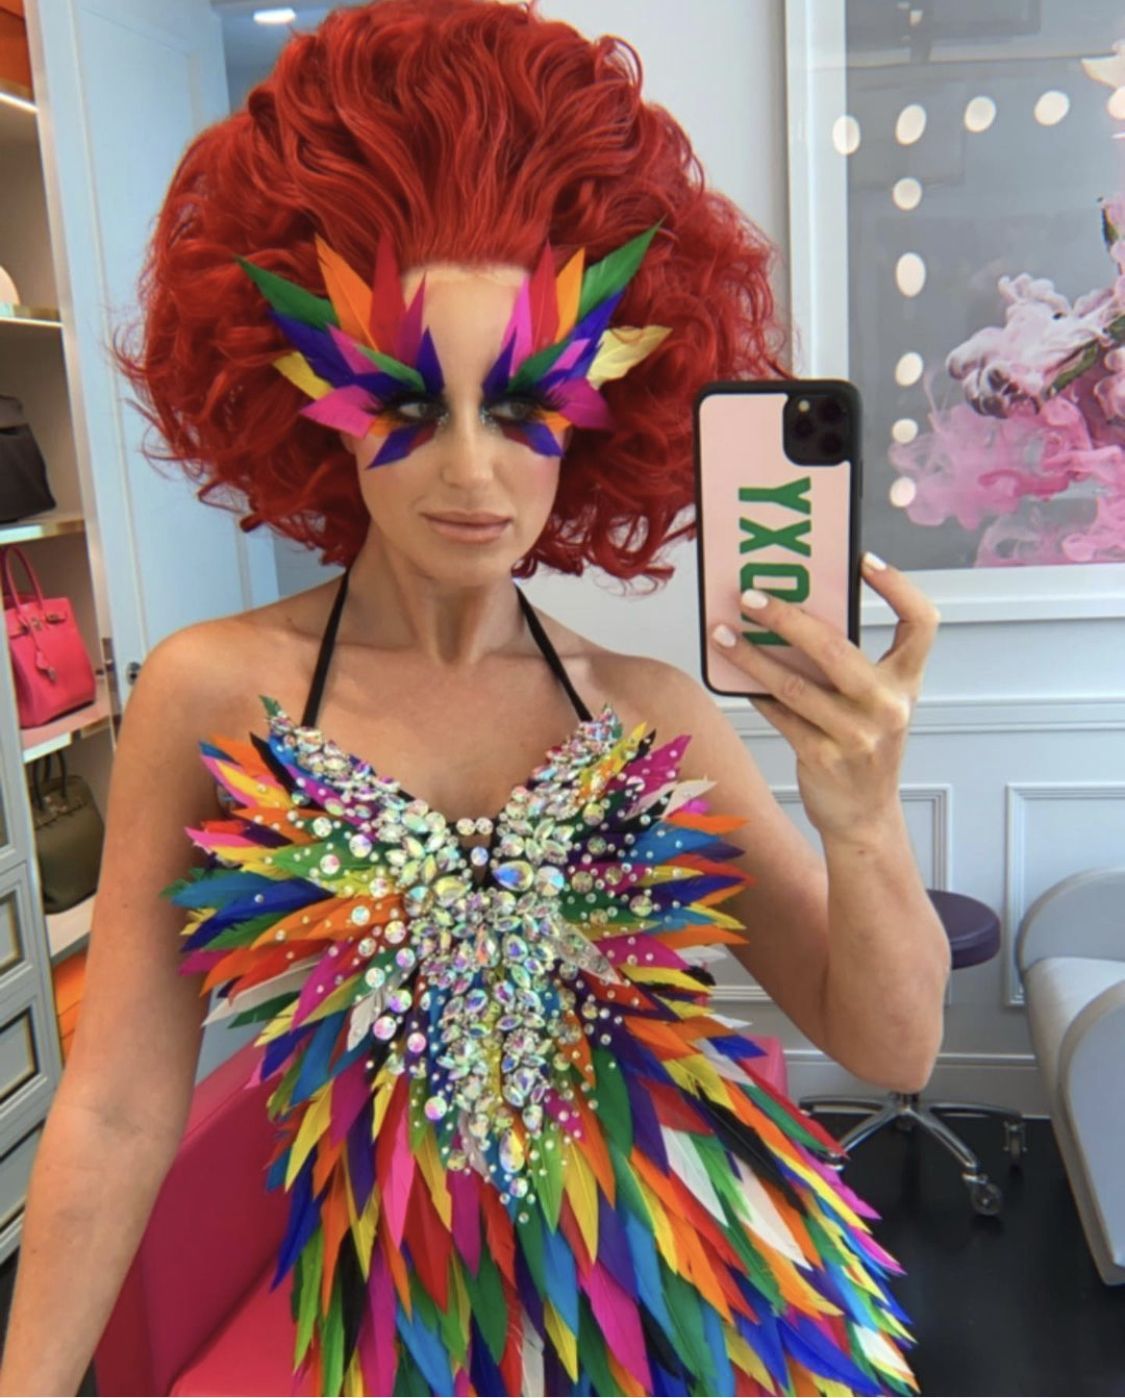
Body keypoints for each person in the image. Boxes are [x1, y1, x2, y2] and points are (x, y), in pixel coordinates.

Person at [0, 2, 951, 1394]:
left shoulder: (649, 707)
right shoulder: (213, 693)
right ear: (313, 399)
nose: (468, 468)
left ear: (597, 407)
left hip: (717, 1311)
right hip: (425, 1335)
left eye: (519, 405)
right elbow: (121, 1107)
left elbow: (891, 1044)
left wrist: (862, 816)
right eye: (404, 402)